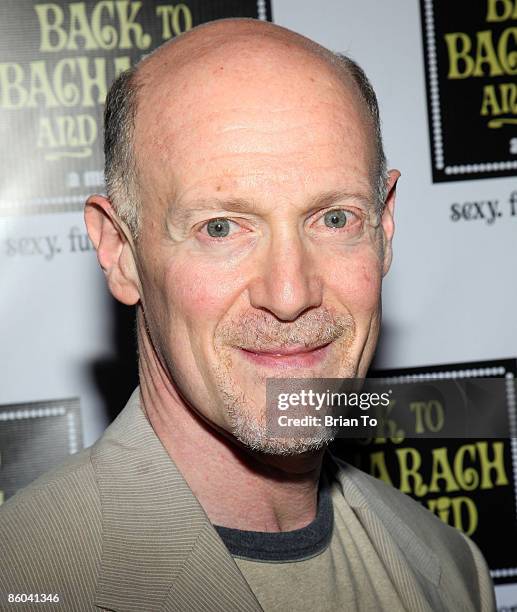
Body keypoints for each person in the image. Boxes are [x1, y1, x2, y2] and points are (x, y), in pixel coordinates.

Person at [0, 18, 495, 612]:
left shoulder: (452, 570)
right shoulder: (23, 578)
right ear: (121, 254)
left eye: (335, 219)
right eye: (220, 228)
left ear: (385, 229)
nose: (289, 294)